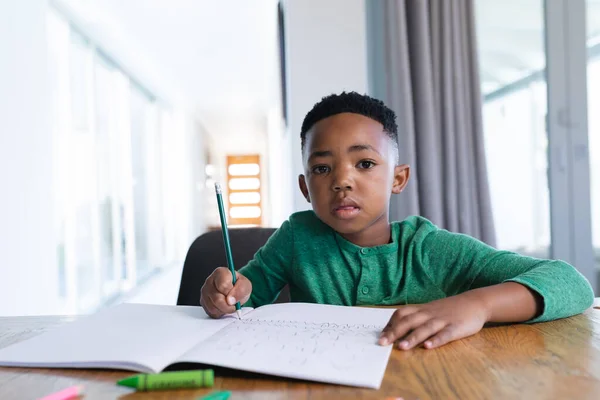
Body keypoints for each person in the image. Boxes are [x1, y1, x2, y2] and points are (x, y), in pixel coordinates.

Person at [200, 91, 594, 350]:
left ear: (398, 178)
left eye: (365, 163)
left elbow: (570, 282)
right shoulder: (297, 237)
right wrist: (225, 292)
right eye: (322, 169)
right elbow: (248, 293)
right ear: (306, 188)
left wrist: (477, 305)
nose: (341, 181)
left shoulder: (433, 249)